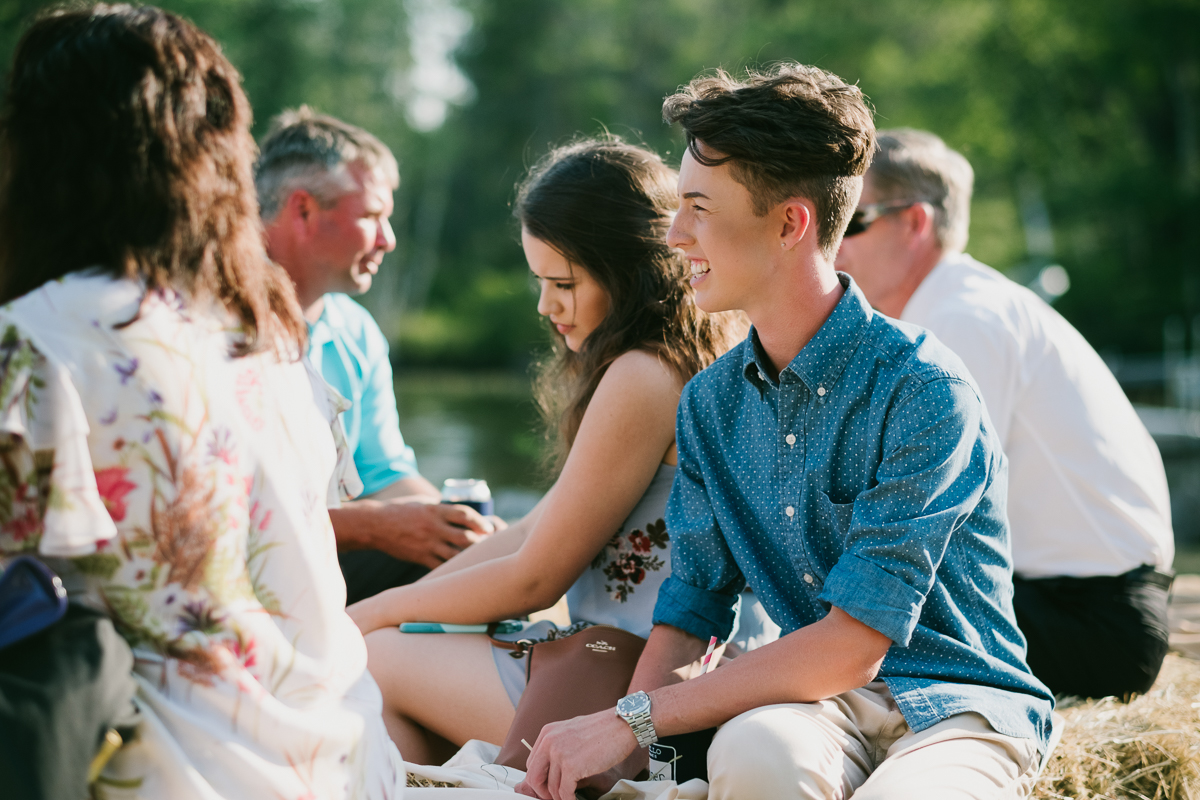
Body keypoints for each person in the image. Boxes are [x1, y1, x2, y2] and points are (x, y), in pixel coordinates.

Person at [518, 65, 1054, 800]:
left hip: (958, 708)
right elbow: (691, 611)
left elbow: (853, 645)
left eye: (699, 208)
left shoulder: (925, 389)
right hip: (819, 712)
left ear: (791, 224)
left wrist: (632, 720)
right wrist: (619, 760)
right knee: (754, 754)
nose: (675, 235)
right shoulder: (710, 403)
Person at [0, 6, 403, 798]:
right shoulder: (274, 331)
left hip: (169, 773)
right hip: (345, 762)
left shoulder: (36, 338)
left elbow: (32, 622)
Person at [346, 137, 747, 765]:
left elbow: (537, 576)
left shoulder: (645, 375)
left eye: (563, 282)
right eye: (540, 281)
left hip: (645, 689)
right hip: (633, 663)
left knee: (366, 662)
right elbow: (535, 530)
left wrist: (360, 621)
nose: (545, 305)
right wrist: (392, 609)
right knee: (389, 648)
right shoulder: (691, 354)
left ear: (629, 270)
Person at [835, 128, 1175, 698]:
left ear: (916, 222)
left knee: (831, 656)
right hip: (1070, 604)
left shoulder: (962, 321)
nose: (831, 243)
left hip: (1089, 620)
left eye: (851, 221)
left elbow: (922, 515)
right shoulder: (959, 305)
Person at [257, 109, 498, 605]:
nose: (388, 238)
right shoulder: (213, 321)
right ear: (302, 211)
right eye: (370, 216)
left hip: (318, 561)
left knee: (474, 558)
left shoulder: (356, 330)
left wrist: (463, 528)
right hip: (239, 570)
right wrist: (368, 527)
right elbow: (229, 514)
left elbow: (385, 475)